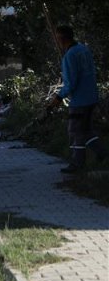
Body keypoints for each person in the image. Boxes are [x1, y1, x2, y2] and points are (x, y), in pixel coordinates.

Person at [47, 25, 108, 174]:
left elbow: (70, 83)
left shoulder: (69, 56)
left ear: (61, 39)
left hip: (80, 101)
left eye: (56, 37)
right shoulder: (83, 49)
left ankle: (77, 164)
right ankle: (103, 154)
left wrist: (58, 98)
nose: (55, 39)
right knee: (86, 130)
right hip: (92, 97)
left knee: (75, 131)